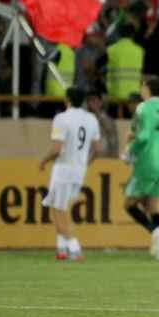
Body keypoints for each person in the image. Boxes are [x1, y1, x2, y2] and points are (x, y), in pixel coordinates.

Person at [39, 88, 101, 262]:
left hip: (64, 169)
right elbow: (97, 149)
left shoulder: (61, 118)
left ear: (67, 100)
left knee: (58, 211)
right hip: (79, 171)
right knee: (61, 206)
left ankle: (75, 248)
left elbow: (57, 149)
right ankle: (61, 249)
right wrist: (85, 164)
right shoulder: (91, 119)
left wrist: (44, 160)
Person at [122, 76, 159, 262]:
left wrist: (129, 151)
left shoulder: (144, 107)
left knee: (129, 204)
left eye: (142, 86)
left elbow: (144, 137)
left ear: (147, 89)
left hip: (148, 161)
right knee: (152, 206)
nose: (141, 90)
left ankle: (155, 231)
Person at [87, 90, 119, 158]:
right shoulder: (85, 120)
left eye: (95, 100)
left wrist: (114, 156)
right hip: (89, 157)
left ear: (100, 102)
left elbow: (113, 140)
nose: (92, 103)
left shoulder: (108, 121)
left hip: (104, 156)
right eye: (90, 100)